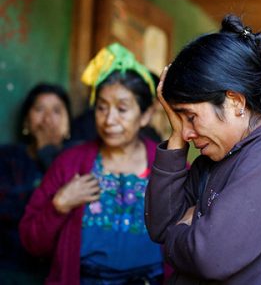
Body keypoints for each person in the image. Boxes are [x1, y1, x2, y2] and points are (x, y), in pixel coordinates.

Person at [145, 14, 261, 284]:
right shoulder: (221, 153)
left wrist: (180, 229)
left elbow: (209, 257)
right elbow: (160, 225)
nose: (188, 132)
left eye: (190, 116)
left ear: (234, 102)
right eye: (178, 119)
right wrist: (177, 135)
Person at [20, 43, 164, 284]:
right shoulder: (70, 163)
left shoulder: (166, 166)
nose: (109, 119)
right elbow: (31, 241)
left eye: (122, 109)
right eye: (101, 108)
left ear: (146, 115)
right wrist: (59, 206)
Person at [0, 83, 72, 284]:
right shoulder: (7, 158)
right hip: (11, 265)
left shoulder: (78, 159)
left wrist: (47, 153)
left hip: (59, 267)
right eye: (39, 109)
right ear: (26, 121)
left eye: (57, 111)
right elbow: (13, 211)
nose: (48, 119)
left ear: (68, 123)